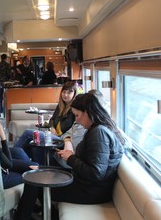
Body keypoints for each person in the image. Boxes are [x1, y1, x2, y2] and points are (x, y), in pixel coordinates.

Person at [15, 92, 125, 220]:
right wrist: (71, 156)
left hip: (91, 191)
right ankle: (39, 214)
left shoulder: (99, 133)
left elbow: (96, 173)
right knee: (36, 170)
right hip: (85, 182)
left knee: (35, 181)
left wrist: (70, 158)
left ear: (88, 112)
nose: (76, 119)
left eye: (77, 115)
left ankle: (25, 216)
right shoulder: (99, 128)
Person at [14, 82, 78, 163]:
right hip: (53, 135)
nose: (65, 95)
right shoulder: (61, 106)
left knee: (28, 133)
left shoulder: (74, 109)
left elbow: (72, 130)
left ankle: (11, 156)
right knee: (32, 145)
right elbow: (52, 120)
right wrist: (52, 128)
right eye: (64, 92)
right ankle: (23, 163)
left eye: (69, 92)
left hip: (62, 139)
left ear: (74, 94)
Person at [0, 53, 11, 117]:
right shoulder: (7, 65)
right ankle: (5, 112)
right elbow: (9, 74)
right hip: (6, 83)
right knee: (5, 97)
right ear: (6, 58)